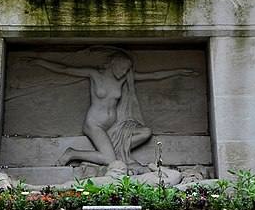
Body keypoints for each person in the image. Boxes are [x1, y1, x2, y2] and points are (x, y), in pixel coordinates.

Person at [26, 49, 197, 168]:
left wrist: (179, 71)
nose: (124, 73)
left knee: (146, 132)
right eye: (122, 68)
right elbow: (66, 69)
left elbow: (152, 76)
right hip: (95, 124)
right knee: (109, 159)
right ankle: (72, 153)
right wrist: (39, 61)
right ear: (113, 63)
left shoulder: (122, 80)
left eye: (127, 70)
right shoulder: (95, 74)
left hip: (115, 126)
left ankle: (116, 150)